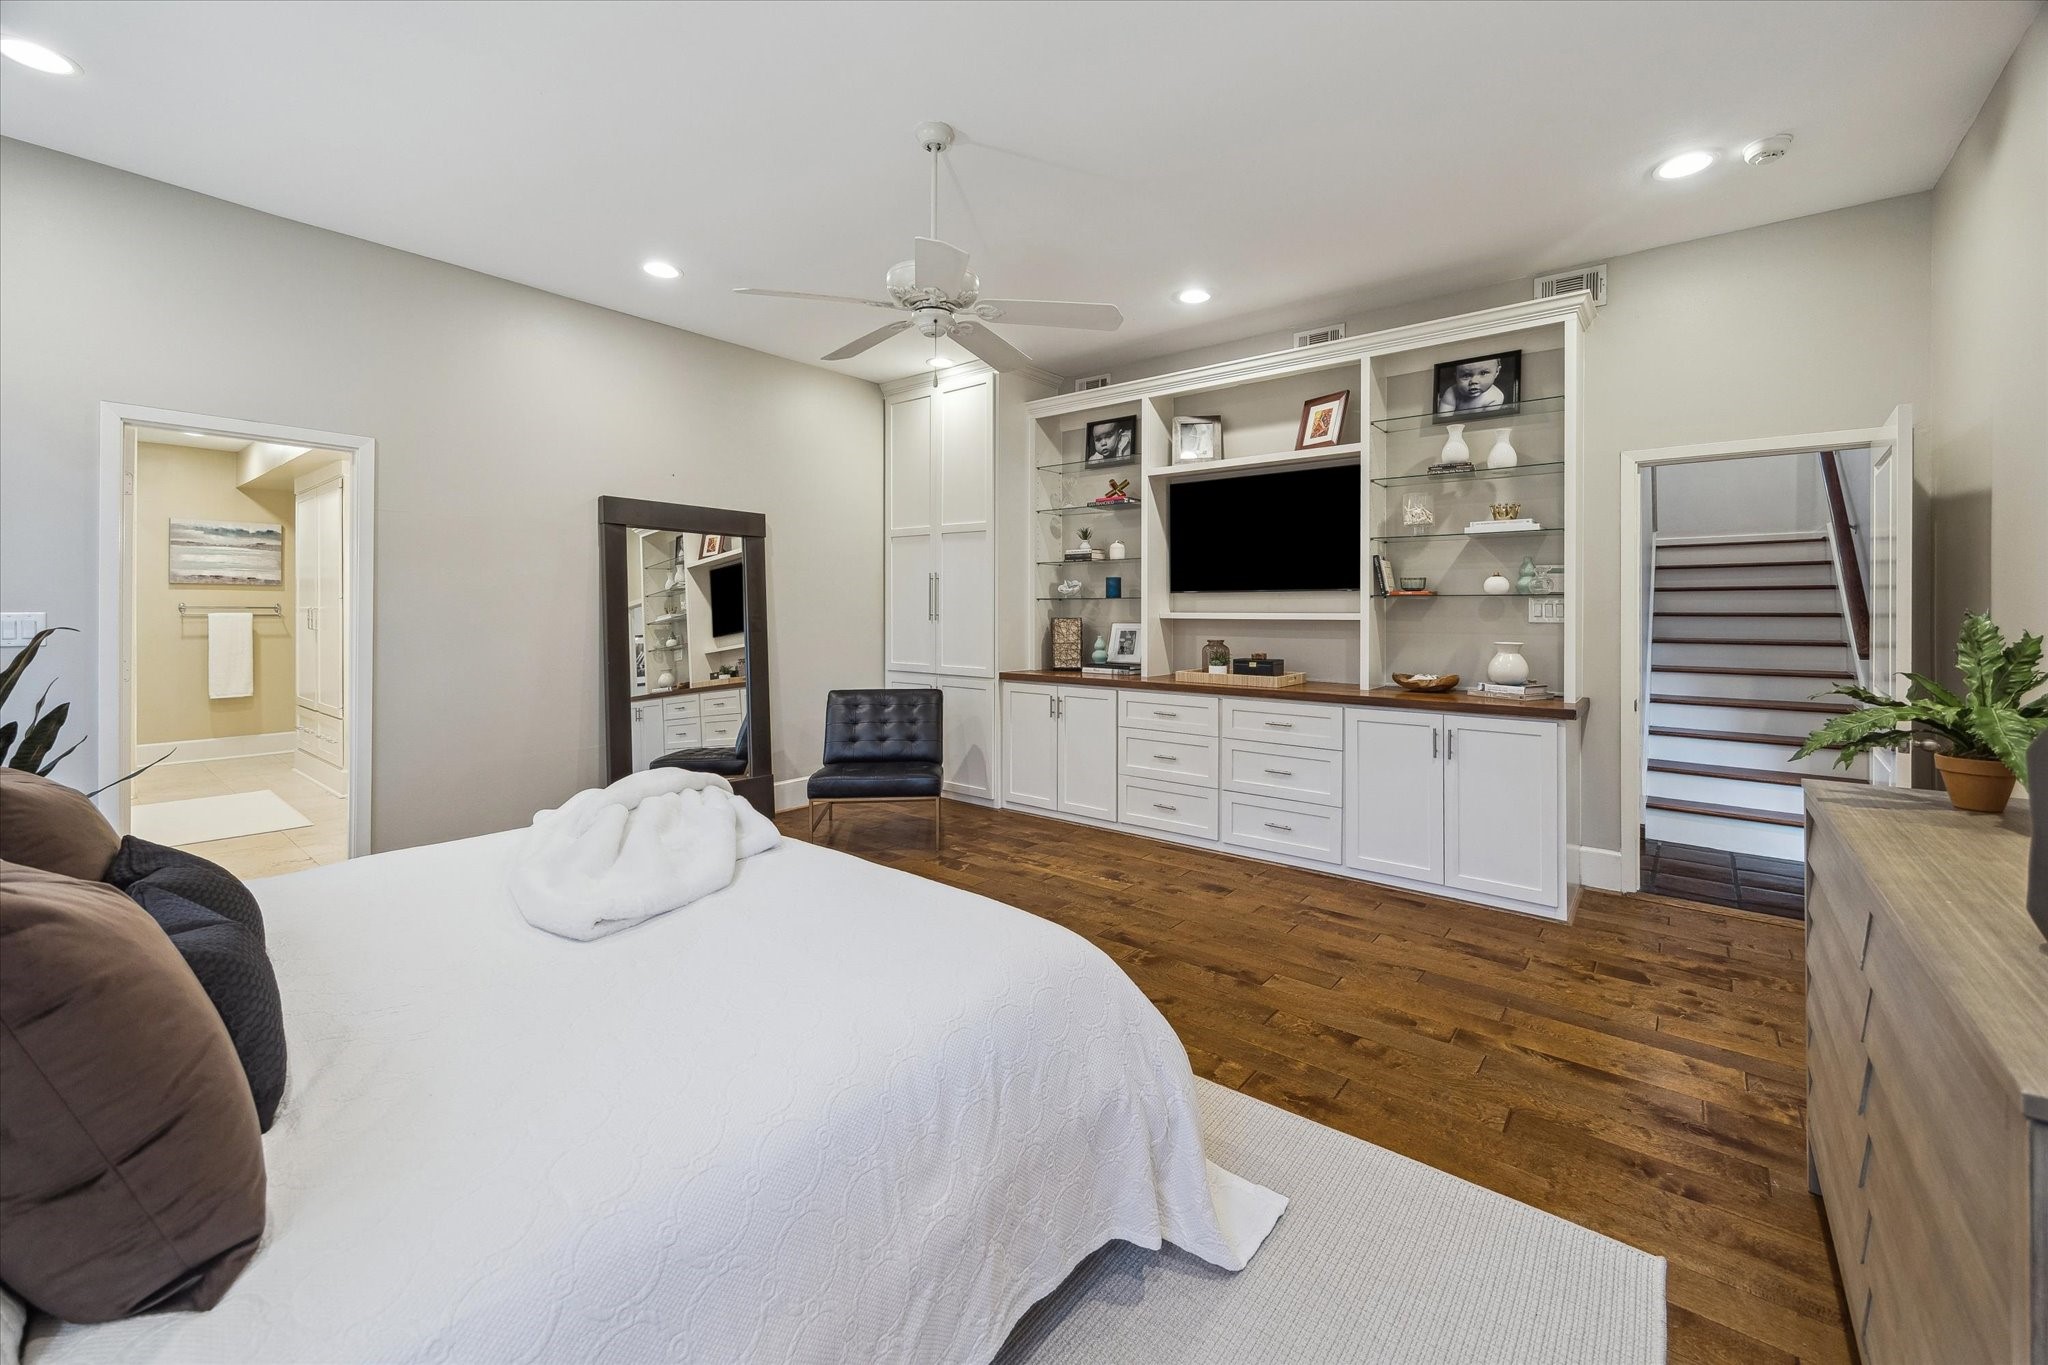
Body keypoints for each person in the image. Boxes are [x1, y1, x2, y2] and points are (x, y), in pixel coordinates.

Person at [1437, 357, 1508, 414]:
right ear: (1456, 376)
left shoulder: (1495, 397)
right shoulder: (1452, 392)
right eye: (1466, 375)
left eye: (1483, 373)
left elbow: (1486, 423)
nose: (1474, 381)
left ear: (1497, 371)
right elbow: (1443, 420)